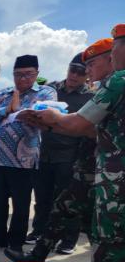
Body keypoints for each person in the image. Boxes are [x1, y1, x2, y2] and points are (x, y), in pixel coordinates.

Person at [20, 24, 125, 262]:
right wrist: (52, 124)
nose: (88, 70)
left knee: (114, 230)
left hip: (113, 174)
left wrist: (53, 119)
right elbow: (97, 130)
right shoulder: (110, 85)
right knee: (99, 225)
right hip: (98, 170)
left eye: (92, 63)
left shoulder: (117, 81)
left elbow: (81, 126)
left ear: (112, 55)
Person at [0, 54, 57, 253]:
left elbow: (46, 116)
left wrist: (22, 112)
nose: (22, 79)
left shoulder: (46, 93)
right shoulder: (4, 94)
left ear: (37, 73)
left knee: (21, 204)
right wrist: (8, 109)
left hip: (25, 160)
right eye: (18, 75)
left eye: (28, 75)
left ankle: (16, 242)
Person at [27, 53, 95, 247]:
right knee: (42, 197)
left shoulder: (90, 97)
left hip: (69, 155)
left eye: (81, 72)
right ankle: (39, 231)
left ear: (87, 75)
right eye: (73, 69)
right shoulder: (51, 90)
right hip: (45, 151)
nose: (75, 75)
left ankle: (68, 240)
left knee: (67, 201)